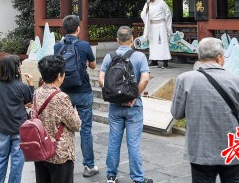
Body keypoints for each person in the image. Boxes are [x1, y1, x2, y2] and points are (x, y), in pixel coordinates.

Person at [171, 37, 239, 183]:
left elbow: (177, 113)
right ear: (219, 58)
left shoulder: (185, 79)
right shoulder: (237, 81)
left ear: (199, 57)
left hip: (201, 148)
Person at [99, 26, 152, 183]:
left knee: (113, 142)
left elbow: (101, 79)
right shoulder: (140, 57)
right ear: (132, 39)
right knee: (133, 144)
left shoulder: (109, 57)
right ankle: (137, 178)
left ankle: (111, 175)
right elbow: (145, 78)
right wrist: (133, 96)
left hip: (115, 107)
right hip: (134, 106)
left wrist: (114, 95)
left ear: (117, 40)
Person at [53, 15, 98, 177]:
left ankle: (62, 162)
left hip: (64, 92)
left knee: (62, 128)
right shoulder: (84, 45)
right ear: (78, 29)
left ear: (63, 30)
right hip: (83, 91)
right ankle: (89, 166)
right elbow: (93, 65)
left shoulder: (57, 46)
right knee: (85, 129)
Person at [34, 55, 81, 183]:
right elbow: (76, 125)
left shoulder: (37, 93)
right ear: (59, 76)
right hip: (59, 154)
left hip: (41, 151)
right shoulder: (61, 97)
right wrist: (76, 114)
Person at [0, 55, 33, 183]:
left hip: (3, 127)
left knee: (0, 158)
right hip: (19, 127)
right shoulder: (22, 86)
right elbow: (30, 101)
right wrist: (30, 84)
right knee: (17, 161)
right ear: (16, 68)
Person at [140, 0, 173, 69]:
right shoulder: (147, 3)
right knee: (153, 44)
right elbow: (143, 14)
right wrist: (146, 12)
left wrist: (167, 26)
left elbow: (168, 13)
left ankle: (165, 62)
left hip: (161, 25)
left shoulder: (161, 2)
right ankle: (154, 61)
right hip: (152, 25)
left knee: (163, 43)